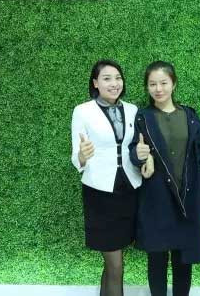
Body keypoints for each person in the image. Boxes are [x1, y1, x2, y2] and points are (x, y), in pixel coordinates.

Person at [129, 61, 200, 296]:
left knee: (183, 260)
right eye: (152, 84)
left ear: (173, 84)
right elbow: (133, 151)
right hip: (156, 198)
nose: (158, 89)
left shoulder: (190, 116)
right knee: (156, 258)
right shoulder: (142, 117)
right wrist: (139, 156)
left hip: (188, 197)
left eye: (163, 83)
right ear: (147, 87)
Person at [71, 59, 153, 296]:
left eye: (118, 78)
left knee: (113, 262)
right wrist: (83, 155)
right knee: (115, 264)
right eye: (106, 79)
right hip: (99, 193)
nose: (114, 83)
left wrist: (144, 156)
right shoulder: (82, 111)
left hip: (129, 190)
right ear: (95, 83)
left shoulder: (132, 110)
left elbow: (136, 148)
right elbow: (76, 157)